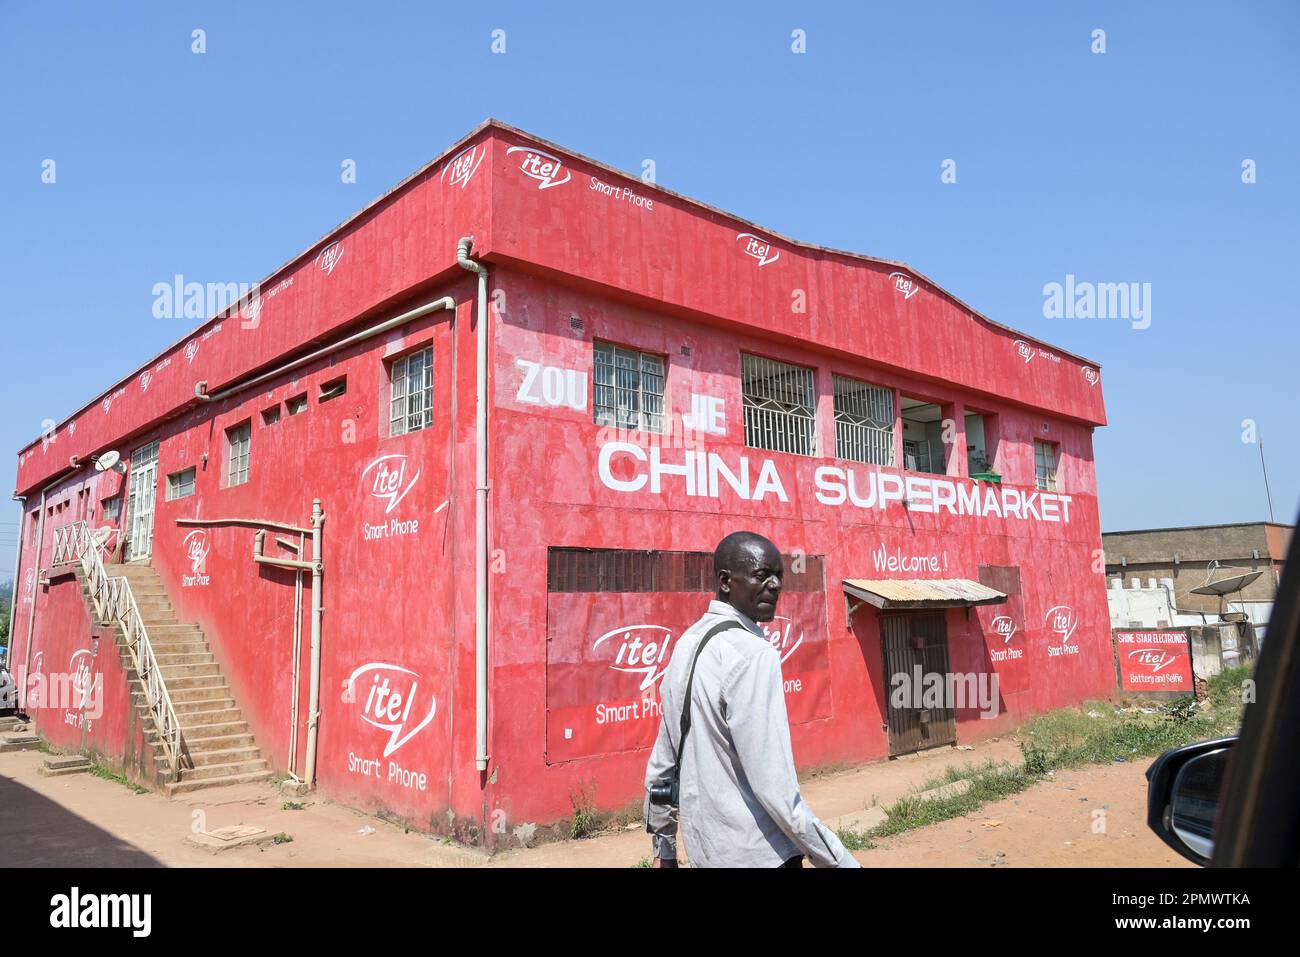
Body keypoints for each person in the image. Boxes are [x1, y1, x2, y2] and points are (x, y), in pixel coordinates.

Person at [644, 531, 859, 868]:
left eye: (778, 576)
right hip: (761, 855)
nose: (775, 585)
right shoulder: (753, 653)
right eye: (761, 575)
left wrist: (665, 849)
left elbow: (662, 761)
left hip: (706, 854)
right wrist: (841, 862)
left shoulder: (685, 645)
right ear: (726, 582)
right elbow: (775, 789)